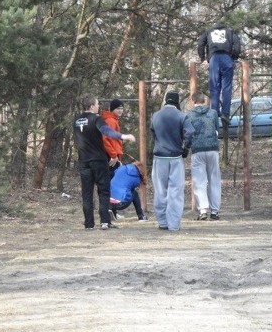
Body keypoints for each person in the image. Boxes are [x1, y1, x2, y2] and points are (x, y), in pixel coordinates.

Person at [73, 95, 136, 230]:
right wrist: (123, 136)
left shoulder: (76, 120)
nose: (98, 106)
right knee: (103, 191)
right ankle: (105, 222)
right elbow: (107, 132)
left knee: (87, 193)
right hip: (98, 160)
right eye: (97, 104)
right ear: (91, 106)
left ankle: (89, 224)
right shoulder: (97, 119)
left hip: (84, 161)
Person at [150, 91, 195, 232]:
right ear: (177, 102)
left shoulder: (155, 116)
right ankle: (174, 224)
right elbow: (190, 133)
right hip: (175, 158)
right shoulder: (182, 116)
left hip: (159, 157)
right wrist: (186, 147)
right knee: (175, 191)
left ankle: (162, 222)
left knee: (160, 190)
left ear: (165, 100)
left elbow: (153, 133)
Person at [197, 23, 241, 124]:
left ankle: (215, 112)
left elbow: (200, 44)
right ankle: (225, 114)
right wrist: (234, 57)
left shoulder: (208, 32)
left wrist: (203, 58)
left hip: (214, 59)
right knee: (227, 88)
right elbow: (237, 46)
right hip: (227, 58)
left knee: (214, 88)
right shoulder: (230, 31)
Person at [188, 92, 221, 221]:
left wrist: (187, 146)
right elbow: (217, 129)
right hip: (213, 148)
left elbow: (188, 132)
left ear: (193, 101)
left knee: (199, 181)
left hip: (197, 150)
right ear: (204, 100)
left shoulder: (189, 115)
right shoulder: (213, 113)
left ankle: (202, 210)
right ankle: (215, 211)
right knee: (214, 180)